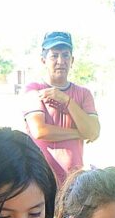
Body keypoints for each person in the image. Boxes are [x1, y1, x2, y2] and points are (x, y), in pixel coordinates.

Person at [24, 32, 100, 185]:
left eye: (65, 55)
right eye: (54, 55)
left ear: (72, 60)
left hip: (74, 181)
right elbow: (40, 131)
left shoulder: (84, 94)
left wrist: (66, 100)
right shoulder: (34, 89)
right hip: (40, 178)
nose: (61, 61)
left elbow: (93, 132)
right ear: (43, 60)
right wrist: (79, 133)